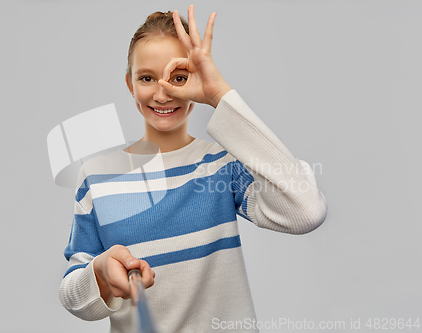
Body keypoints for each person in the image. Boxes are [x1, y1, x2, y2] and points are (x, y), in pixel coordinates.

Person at [58, 5, 327, 333]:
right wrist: (100, 271)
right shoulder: (97, 176)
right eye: (146, 78)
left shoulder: (220, 165)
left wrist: (220, 95)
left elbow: (306, 211)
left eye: (178, 78)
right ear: (130, 84)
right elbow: (72, 294)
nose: (162, 92)